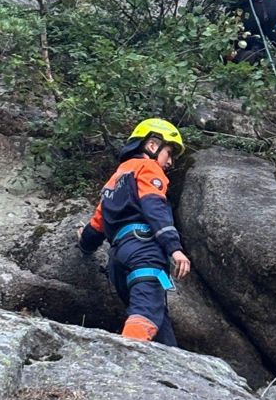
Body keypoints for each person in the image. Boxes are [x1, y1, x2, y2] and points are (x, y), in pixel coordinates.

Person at [77, 118, 191, 345]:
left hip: (118, 258)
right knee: (146, 312)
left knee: (158, 321)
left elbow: (97, 225)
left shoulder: (117, 177)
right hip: (144, 249)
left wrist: (84, 243)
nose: (170, 161)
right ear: (152, 145)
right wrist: (175, 249)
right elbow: (154, 207)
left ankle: (174, 368)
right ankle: (128, 363)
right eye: (169, 153)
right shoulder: (149, 168)